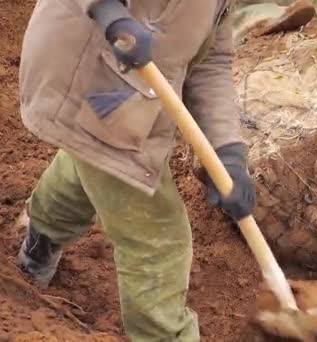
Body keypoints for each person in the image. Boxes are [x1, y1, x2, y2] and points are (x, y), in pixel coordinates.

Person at [16, 0, 256, 340]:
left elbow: (210, 59)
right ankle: (163, 335)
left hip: (129, 91)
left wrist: (227, 151)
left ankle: (40, 242)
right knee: (157, 236)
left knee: (92, 160)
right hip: (88, 74)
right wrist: (109, 11)